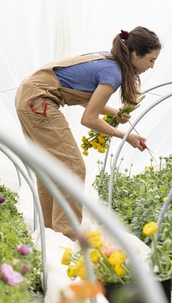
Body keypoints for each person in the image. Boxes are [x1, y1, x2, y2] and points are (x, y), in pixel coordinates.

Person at [14, 26, 161, 239]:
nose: (152, 66)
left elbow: (84, 98)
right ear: (135, 55)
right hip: (39, 101)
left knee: (49, 167)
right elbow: (89, 119)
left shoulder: (108, 60)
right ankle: (66, 234)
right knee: (73, 167)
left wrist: (113, 112)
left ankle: (48, 235)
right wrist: (126, 137)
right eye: (151, 60)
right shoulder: (113, 72)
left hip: (30, 96)